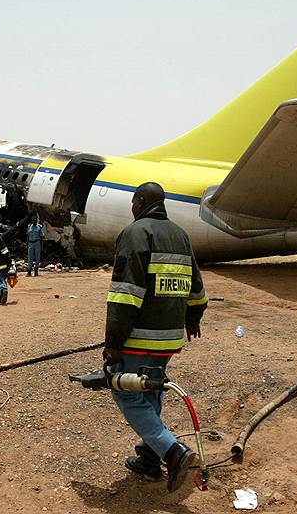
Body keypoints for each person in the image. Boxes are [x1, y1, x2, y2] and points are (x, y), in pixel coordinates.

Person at [103, 182, 208, 492]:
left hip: (139, 338)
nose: (132, 208)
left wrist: (113, 345)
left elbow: (125, 296)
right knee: (151, 392)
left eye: (134, 202)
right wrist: (192, 318)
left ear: (140, 200)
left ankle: (173, 452)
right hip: (169, 339)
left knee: (126, 392)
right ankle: (149, 459)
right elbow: (197, 289)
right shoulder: (180, 235)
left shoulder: (135, 234)